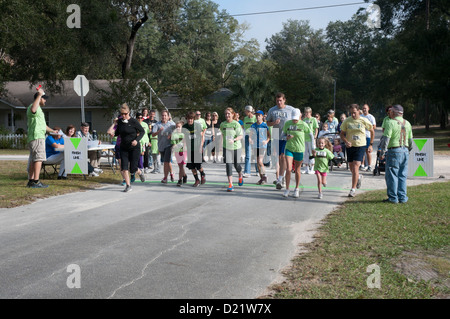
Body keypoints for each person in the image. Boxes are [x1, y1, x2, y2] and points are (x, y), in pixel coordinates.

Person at [379, 104, 413, 204]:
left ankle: (393, 198)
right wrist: (408, 149)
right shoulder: (408, 123)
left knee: (392, 175)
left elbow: (386, 139)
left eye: (391, 112)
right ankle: (402, 197)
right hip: (405, 150)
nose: (390, 113)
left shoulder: (390, 123)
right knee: (402, 175)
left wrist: (382, 152)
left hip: (394, 150)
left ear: (394, 113)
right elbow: (411, 140)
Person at [340, 104, 374, 197]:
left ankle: (352, 189)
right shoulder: (347, 121)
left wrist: (370, 144)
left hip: (360, 146)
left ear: (359, 111)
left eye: (354, 113)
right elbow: (342, 134)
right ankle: (358, 177)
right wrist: (346, 141)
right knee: (351, 168)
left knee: (355, 167)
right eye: (351, 113)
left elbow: (372, 131)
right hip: (350, 146)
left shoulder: (364, 120)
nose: (353, 115)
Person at [110, 103, 146, 192]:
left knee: (133, 168)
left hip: (134, 147)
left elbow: (142, 131)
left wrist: (136, 140)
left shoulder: (134, 121)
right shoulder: (120, 122)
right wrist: (113, 131)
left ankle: (140, 172)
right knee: (124, 167)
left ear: (129, 112)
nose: (123, 116)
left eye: (125, 114)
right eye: (122, 114)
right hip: (123, 147)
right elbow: (117, 133)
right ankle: (128, 185)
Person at [26, 89, 57, 188]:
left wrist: (53, 131)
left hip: (35, 137)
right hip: (37, 137)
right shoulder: (33, 107)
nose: (45, 101)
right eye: (44, 99)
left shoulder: (39, 110)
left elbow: (43, 126)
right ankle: (36, 181)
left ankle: (31, 181)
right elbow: (33, 110)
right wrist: (39, 94)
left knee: (34, 160)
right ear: (39, 98)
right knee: (38, 159)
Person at [281, 108, 314, 198]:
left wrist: (313, 147)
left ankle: (296, 188)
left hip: (299, 149)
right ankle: (287, 189)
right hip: (289, 148)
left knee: (297, 170)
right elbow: (282, 135)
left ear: (300, 116)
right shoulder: (287, 123)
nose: (295, 120)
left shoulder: (303, 124)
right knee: (288, 169)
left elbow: (311, 135)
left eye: (296, 118)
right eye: (293, 118)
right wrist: (286, 137)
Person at [266, 93, 295, 190]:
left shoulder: (291, 110)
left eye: (280, 100)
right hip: (276, 135)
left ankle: (281, 178)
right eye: (277, 101)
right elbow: (267, 123)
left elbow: (297, 120)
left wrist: (294, 132)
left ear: (284, 100)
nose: (279, 102)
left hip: (287, 136)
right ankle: (282, 176)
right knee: (278, 158)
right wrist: (274, 123)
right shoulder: (272, 110)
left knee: (283, 157)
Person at [220, 107, 244, 192]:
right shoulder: (223, 124)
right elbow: (222, 135)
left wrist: (234, 140)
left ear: (233, 114)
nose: (227, 115)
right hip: (226, 147)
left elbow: (241, 135)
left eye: (228, 114)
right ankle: (230, 184)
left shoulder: (236, 124)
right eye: (226, 114)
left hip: (236, 147)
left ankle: (240, 175)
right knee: (228, 165)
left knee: (236, 164)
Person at [183, 111, 206, 187]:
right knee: (192, 166)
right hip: (189, 149)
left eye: (191, 119)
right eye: (189, 119)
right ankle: (197, 180)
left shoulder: (197, 126)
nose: (190, 120)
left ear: (193, 119)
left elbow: (202, 136)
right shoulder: (185, 127)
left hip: (197, 148)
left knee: (198, 166)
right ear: (187, 119)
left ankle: (202, 174)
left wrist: (201, 146)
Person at [152, 110, 175, 183]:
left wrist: (172, 135)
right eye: (162, 115)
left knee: (165, 162)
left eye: (165, 115)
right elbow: (153, 134)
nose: (164, 117)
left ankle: (165, 177)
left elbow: (178, 130)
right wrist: (158, 131)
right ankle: (171, 173)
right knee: (167, 162)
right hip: (161, 145)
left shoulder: (171, 124)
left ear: (168, 117)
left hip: (169, 145)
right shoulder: (157, 124)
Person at [249, 110, 270, 185]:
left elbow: (269, 136)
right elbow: (250, 136)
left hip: (262, 146)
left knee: (260, 161)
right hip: (255, 145)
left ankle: (265, 175)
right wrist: (250, 139)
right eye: (256, 115)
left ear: (262, 116)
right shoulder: (253, 125)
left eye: (259, 115)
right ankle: (262, 179)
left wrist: (266, 141)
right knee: (257, 163)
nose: (257, 117)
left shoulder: (265, 125)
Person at [301, 107, 318, 175]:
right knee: (305, 153)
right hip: (305, 138)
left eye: (308, 112)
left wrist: (315, 136)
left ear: (310, 113)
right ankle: (306, 168)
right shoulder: (304, 120)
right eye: (306, 112)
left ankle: (312, 168)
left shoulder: (313, 119)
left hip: (311, 138)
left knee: (312, 153)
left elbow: (316, 128)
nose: (307, 114)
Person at [171, 120, 188, 187]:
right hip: (177, 151)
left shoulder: (184, 134)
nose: (178, 128)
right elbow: (173, 144)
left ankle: (180, 180)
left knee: (181, 166)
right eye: (177, 127)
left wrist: (183, 146)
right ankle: (184, 175)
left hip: (183, 151)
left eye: (179, 127)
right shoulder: (174, 134)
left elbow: (185, 142)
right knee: (180, 166)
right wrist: (175, 146)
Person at [361, 104, 377, 172]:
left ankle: (369, 166)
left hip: (368, 136)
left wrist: (367, 127)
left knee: (368, 151)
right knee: (361, 151)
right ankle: (362, 165)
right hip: (361, 136)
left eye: (365, 108)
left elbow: (374, 127)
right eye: (363, 108)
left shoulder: (371, 117)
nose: (364, 110)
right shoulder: (360, 117)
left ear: (368, 109)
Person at [136, 112, 150, 181]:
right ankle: (140, 168)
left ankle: (145, 168)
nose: (140, 119)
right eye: (139, 118)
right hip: (138, 142)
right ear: (136, 118)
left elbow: (148, 133)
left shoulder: (145, 124)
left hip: (145, 142)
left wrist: (149, 141)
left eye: (141, 118)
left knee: (145, 155)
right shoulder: (135, 124)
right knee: (140, 155)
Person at [243, 105, 257, 177]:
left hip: (254, 137)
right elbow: (245, 128)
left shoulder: (255, 118)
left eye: (246, 111)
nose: (245, 112)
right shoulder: (245, 118)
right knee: (248, 155)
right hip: (247, 137)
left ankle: (258, 170)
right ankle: (247, 172)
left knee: (255, 154)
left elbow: (256, 128)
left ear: (249, 111)